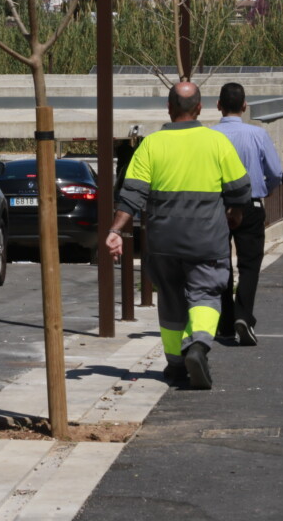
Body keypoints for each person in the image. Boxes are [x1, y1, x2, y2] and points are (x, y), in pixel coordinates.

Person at [105, 82, 251, 389]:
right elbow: (240, 189)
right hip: (206, 238)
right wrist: (235, 214)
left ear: (169, 109)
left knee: (170, 298)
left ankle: (174, 365)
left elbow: (131, 195)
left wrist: (116, 230)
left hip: (162, 241)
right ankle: (197, 345)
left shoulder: (151, 145)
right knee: (206, 292)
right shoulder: (217, 142)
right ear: (199, 108)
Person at [214, 82, 283, 346]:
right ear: (244, 106)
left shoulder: (211, 135)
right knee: (250, 264)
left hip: (217, 207)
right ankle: (243, 315)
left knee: (221, 264)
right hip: (251, 205)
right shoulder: (258, 134)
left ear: (218, 105)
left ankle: (225, 322)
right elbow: (276, 172)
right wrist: (267, 189)